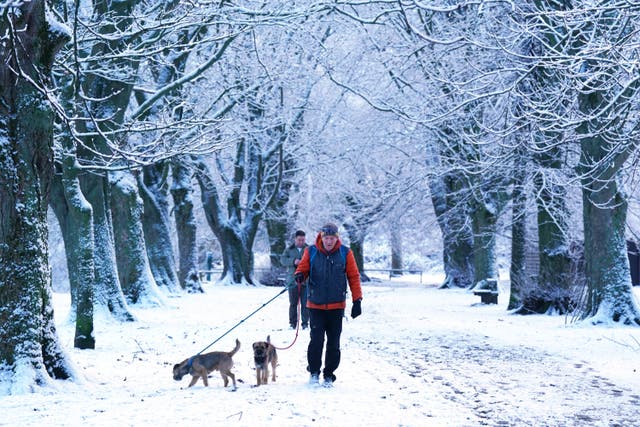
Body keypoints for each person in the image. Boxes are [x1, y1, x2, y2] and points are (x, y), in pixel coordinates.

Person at [294, 222, 362, 387]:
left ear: (336, 238)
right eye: (326, 238)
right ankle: (314, 371)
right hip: (315, 304)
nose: (329, 241)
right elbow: (303, 268)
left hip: (337, 306)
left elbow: (354, 276)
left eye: (332, 238)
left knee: (334, 342)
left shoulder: (345, 253)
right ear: (321, 237)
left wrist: (357, 300)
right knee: (316, 340)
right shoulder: (311, 251)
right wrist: (300, 275)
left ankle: (329, 374)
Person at [281, 230, 309, 329]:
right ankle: (292, 324)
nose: (301, 242)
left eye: (303, 240)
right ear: (295, 239)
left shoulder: (308, 249)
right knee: (293, 303)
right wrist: (293, 261)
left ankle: (305, 323)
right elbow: (283, 260)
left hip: (305, 281)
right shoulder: (289, 250)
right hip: (292, 281)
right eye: (299, 240)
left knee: (306, 303)